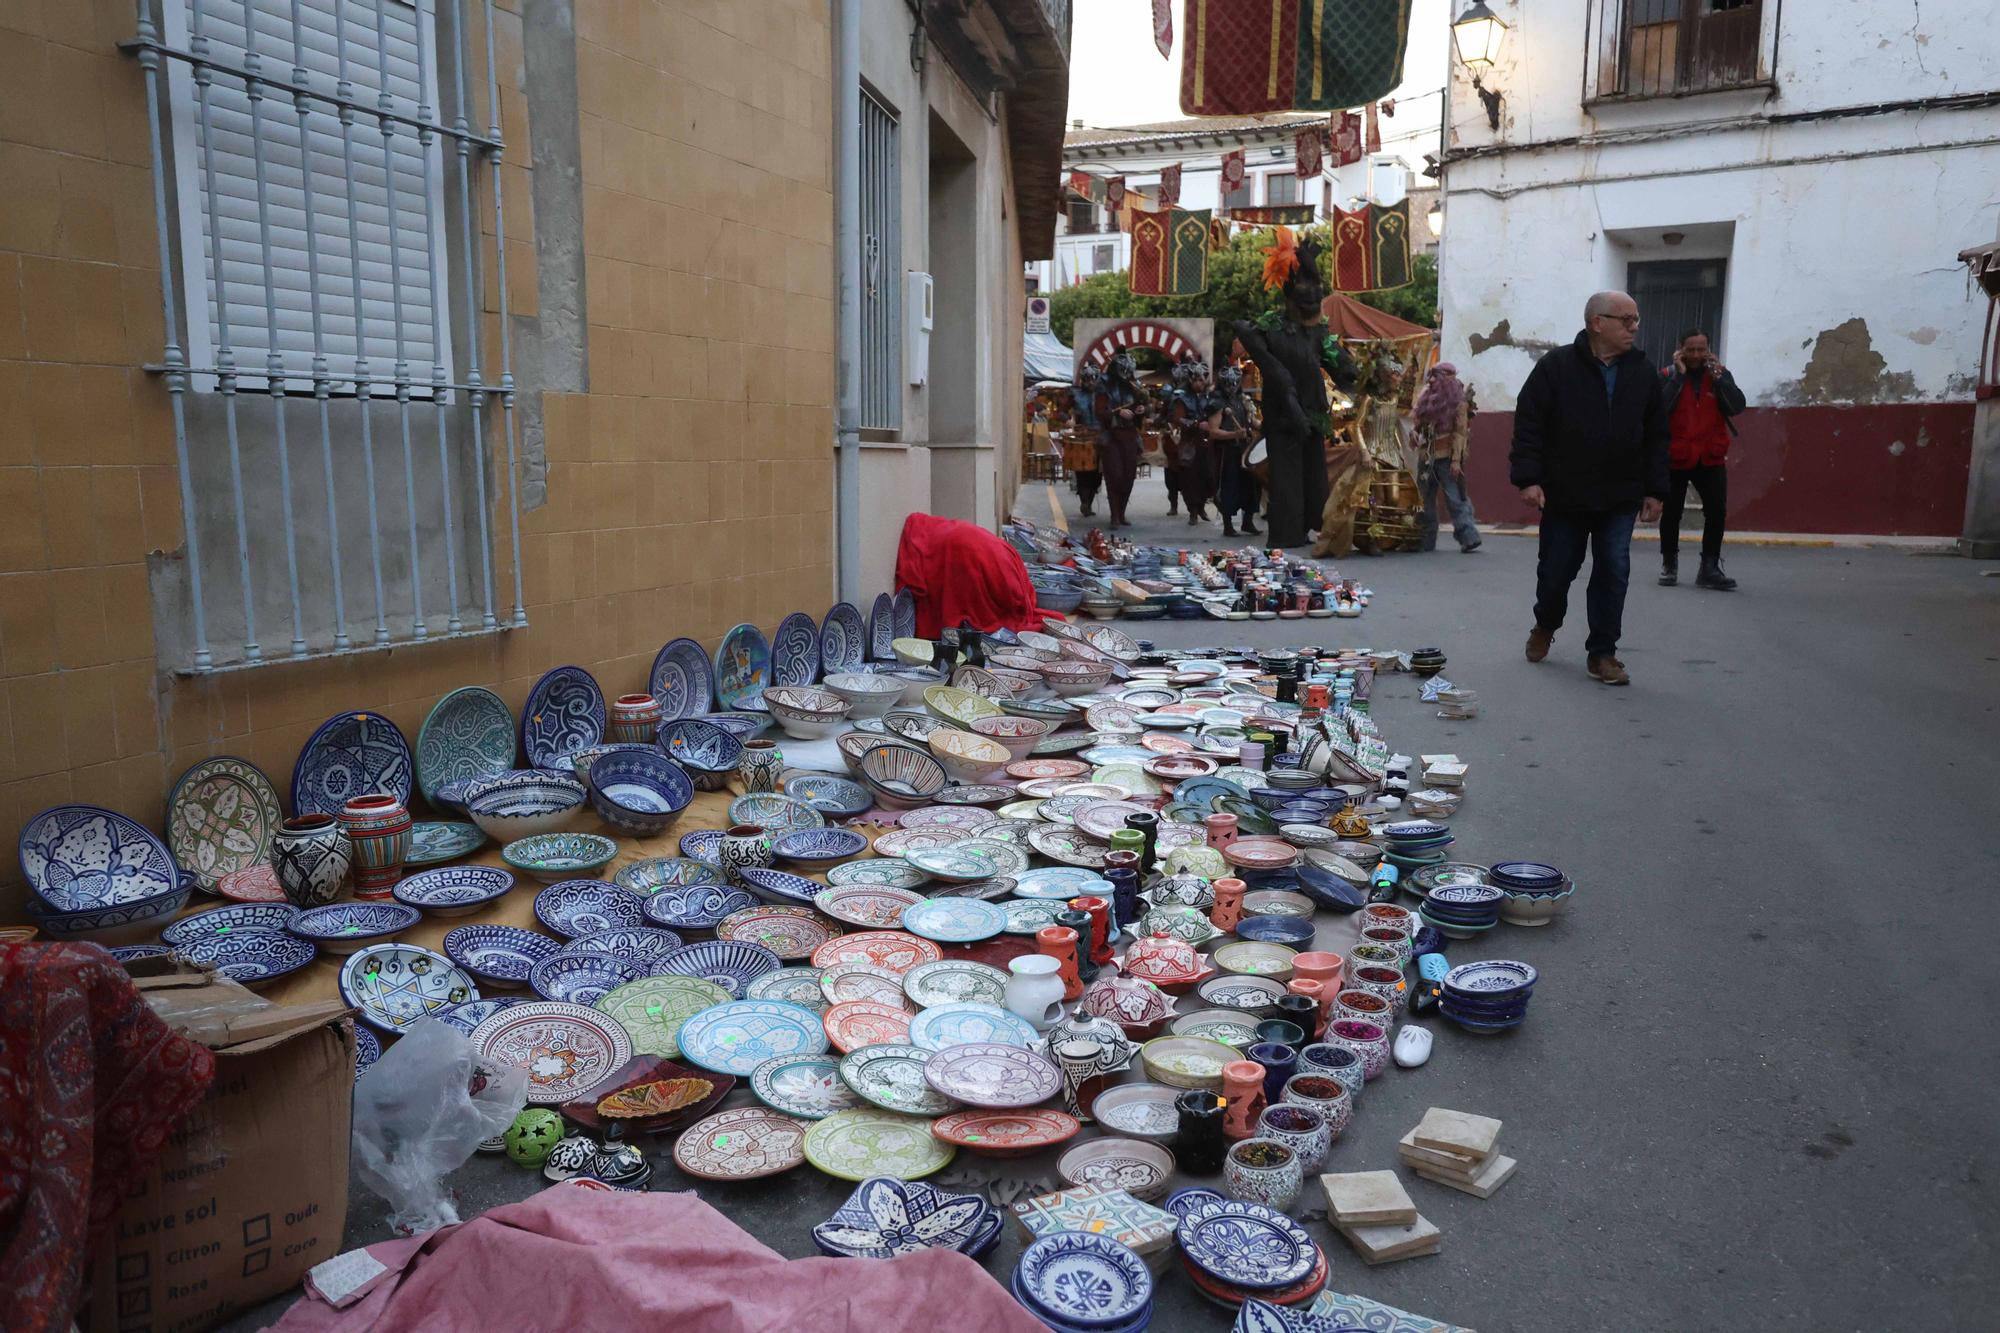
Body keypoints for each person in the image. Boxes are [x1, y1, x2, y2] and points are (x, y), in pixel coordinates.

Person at [1509, 290, 1670, 686]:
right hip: (1566, 493)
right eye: (1626, 319)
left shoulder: (1643, 372)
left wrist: (1655, 489)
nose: (1635, 327)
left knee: (1614, 569)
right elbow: (1530, 422)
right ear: (1598, 323)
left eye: (1636, 319)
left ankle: (1602, 653)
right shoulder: (1556, 367)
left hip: (1620, 494)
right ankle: (1545, 623)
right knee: (1557, 571)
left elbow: (1657, 435)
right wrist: (1529, 478)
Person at [1235, 229, 1359, 549]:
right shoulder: (1268, 329)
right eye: (1305, 289)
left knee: (1316, 476)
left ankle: (1316, 528)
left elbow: (1339, 363)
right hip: (1284, 415)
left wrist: (1361, 374)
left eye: (1317, 289)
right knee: (1287, 476)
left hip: (1314, 412)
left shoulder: (1316, 331)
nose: (1314, 296)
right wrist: (1290, 403)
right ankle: (1288, 533)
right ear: (1289, 293)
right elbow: (1266, 360)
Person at [1658, 329, 1744, 590]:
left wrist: (1720, 379)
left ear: (1708, 350)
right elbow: (1658, 409)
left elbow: (1736, 405)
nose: (1696, 355)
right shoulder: (1667, 376)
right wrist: (1679, 376)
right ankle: (1669, 565)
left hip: (1710, 455)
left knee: (1716, 512)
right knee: (1671, 513)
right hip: (1677, 455)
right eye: (1691, 350)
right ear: (1680, 349)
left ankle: (1709, 567)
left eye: (1701, 349)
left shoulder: (1719, 375)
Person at [1412, 362, 1482, 553]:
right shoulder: (1426, 400)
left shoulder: (1458, 403)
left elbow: (1460, 433)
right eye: (1431, 376)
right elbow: (1418, 425)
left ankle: (1468, 536)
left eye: (1437, 376)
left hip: (1446, 458)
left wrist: (1456, 461)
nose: (1432, 380)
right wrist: (1414, 433)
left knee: (1454, 498)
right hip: (1426, 458)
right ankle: (1425, 539)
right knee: (1424, 499)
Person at [1094, 352, 1144, 528]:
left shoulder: (1134, 386)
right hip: (1112, 436)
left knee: (1128, 477)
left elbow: (1142, 409)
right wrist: (1117, 413)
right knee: (1114, 475)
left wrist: (1140, 411)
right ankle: (1114, 515)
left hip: (1130, 436)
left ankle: (1121, 513)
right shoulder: (1104, 385)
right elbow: (1099, 411)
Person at [1209, 364, 1260, 537]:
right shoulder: (1217, 402)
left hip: (1245, 449)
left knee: (1251, 486)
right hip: (1227, 451)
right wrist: (1234, 434)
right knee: (1229, 487)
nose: (1232, 387)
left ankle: (1248, 522)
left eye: (1235, 383)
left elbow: (1253, 421)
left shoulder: (1242, 400)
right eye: (1228, 383)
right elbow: (1214, 431)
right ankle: (1228, 525)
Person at [1170, 361, 1218, 525]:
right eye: (1196, 379)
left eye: (1201, 379)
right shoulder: (1181, 398)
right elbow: (1178, 419)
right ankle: (1193, 511)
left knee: (1208, 477)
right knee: (1190, 480)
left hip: (1206, 444)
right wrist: (1196, 424)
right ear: (1190, 380)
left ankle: (1202, 506)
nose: (1199, 382)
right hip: (1190, 443)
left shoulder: (1210, 397)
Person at [1065, 362, 1104, 518]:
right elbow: (1061, 412)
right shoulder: (1075, 394)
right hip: (1082, 437)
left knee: (1097, 474)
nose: (1090, 383)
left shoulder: (1103, 395)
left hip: (1100, 437)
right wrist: (1069, 419)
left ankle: (1089, 501)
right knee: (1082, 472)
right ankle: (1085, 502)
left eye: (1093, 379)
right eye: (1087, 379)